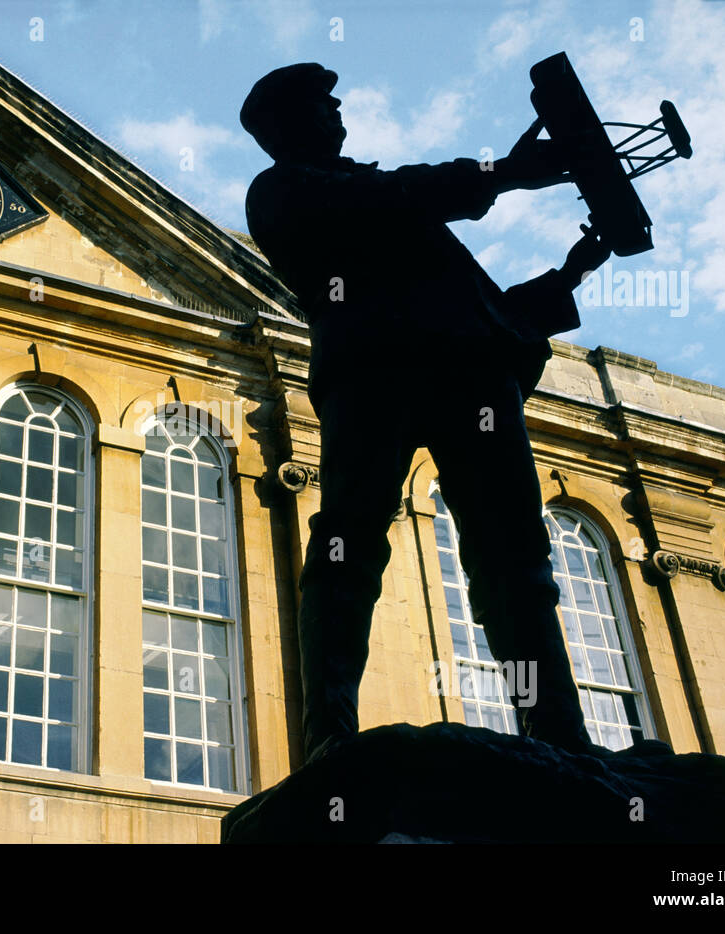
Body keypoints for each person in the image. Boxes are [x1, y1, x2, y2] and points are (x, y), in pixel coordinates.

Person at [240, 63, 614, 762]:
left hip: (470, 372)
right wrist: (503, 171)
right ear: (285, 123)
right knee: (348, 544)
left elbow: (481, 310)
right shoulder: (287, 190)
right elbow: (397, 195)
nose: (339, 109)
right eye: (322, 104)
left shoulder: (384, 202)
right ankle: (328, 734)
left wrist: (572, 271)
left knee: (515, 556)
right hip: (374, 374)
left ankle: (559, 732)